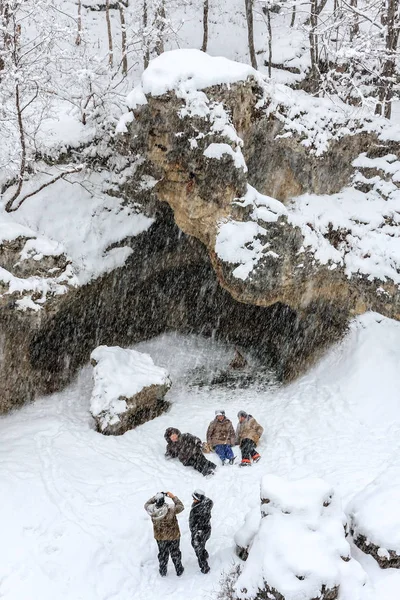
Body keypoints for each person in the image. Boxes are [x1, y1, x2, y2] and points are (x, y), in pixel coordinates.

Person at [144, 491, 185, 577]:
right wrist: (173, 497)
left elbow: (146, 504)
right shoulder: (171, 509)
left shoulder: (151, 510)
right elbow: (181, 507)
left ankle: (163, 570)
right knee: (175, 553)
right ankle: (179, 569)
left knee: (163, 554)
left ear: (156, 501)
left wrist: (155, 497)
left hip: (160, 537)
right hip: (173, 535)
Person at [189, 489, 213, 574]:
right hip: (206, 530)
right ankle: (204, 553)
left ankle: (204, 567)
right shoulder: (206, 504)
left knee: (197, 548)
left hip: (200, 532)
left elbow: (195, 522)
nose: (193, 500)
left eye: (194, 498)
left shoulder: (199, 509)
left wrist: (195, 532)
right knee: (201, 545)